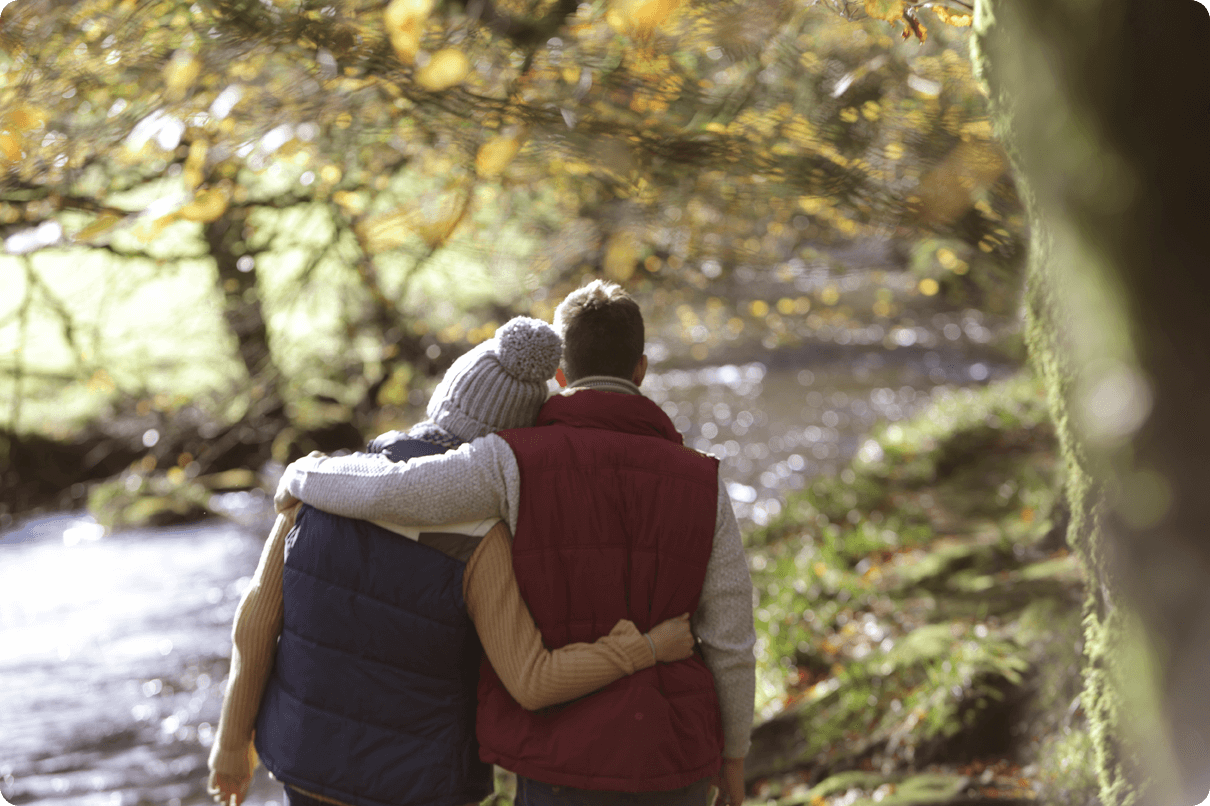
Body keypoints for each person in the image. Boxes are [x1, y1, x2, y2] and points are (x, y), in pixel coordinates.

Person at [275, 281, 757, 806]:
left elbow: (397, 489)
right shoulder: (704, 482)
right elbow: (731, 641)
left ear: (560, 374)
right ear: (640, 370)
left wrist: (306, 474)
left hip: (561, 755)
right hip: (675, 756)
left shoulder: (509, 460)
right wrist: (733, 758)